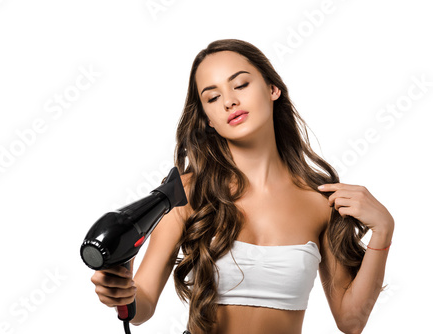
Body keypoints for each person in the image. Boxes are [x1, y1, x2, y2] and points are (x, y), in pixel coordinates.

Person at [90, 39, 395, 334]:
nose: (229, 101)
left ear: (273, 88)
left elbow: (351, 321)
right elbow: (141, 306)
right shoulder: (186, 193)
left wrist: (383, 229)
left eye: (241, 85)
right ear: (209, 119)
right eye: (212, 97)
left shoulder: (321, 201)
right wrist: (123, 294)